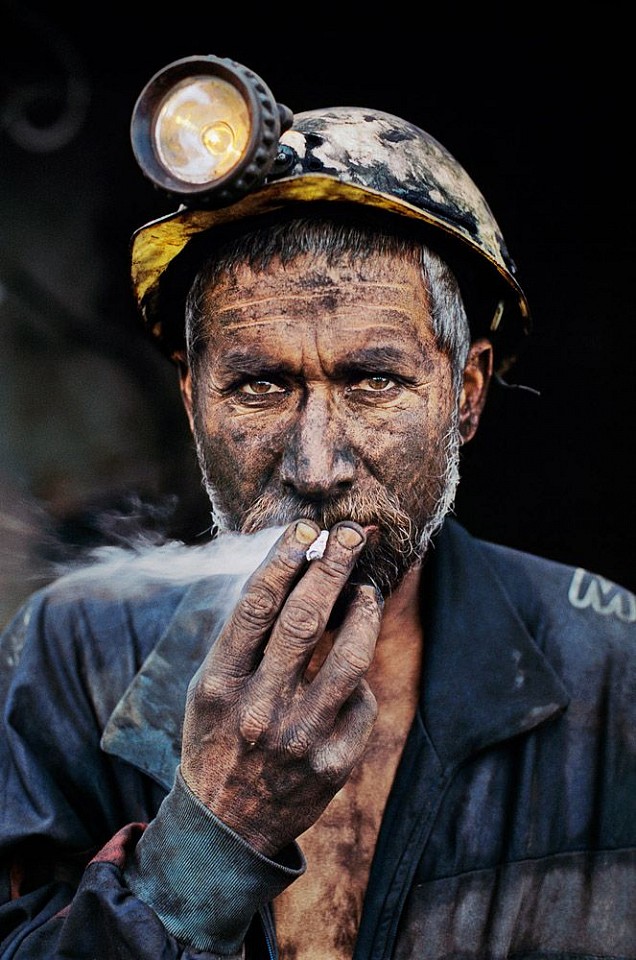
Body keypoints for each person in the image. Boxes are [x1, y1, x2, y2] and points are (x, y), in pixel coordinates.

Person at [1, 54, 635, 960]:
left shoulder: (615, 667)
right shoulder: (66, 653)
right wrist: (213, 833)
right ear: (191, 399)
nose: (317, 461)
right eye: (259, 385)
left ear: (467, 395)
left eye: (374, 380)